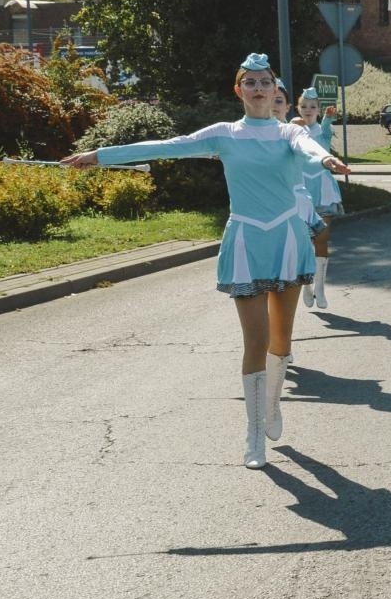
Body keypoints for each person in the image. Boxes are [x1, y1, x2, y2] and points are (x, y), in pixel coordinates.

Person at [63, 54, 349, 469]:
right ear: (239, 90)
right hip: (247, 239)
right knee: (255, 340)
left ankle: (272, 406)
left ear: (274, 90)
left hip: (287, 238)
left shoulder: (288, 132)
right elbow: (168, 148)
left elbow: (306, 147)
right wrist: (101, 154)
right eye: (249, 82)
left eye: (264, 82)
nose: (257, 88)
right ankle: (254, 435)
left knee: (281, 341)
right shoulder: (224, 134)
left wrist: (324, 159)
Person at [293, 88, 342, 308]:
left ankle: (320, 289)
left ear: (318, 110)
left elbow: (325, 128)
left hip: (323, 191)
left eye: (312, 107)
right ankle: (307, 285)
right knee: (303, 242)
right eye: (304, 106)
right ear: (298, 108)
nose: (308, 110)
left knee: (321, 239)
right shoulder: (292, 130)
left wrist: (328, 119)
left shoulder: (323, 131)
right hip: (300, 191)